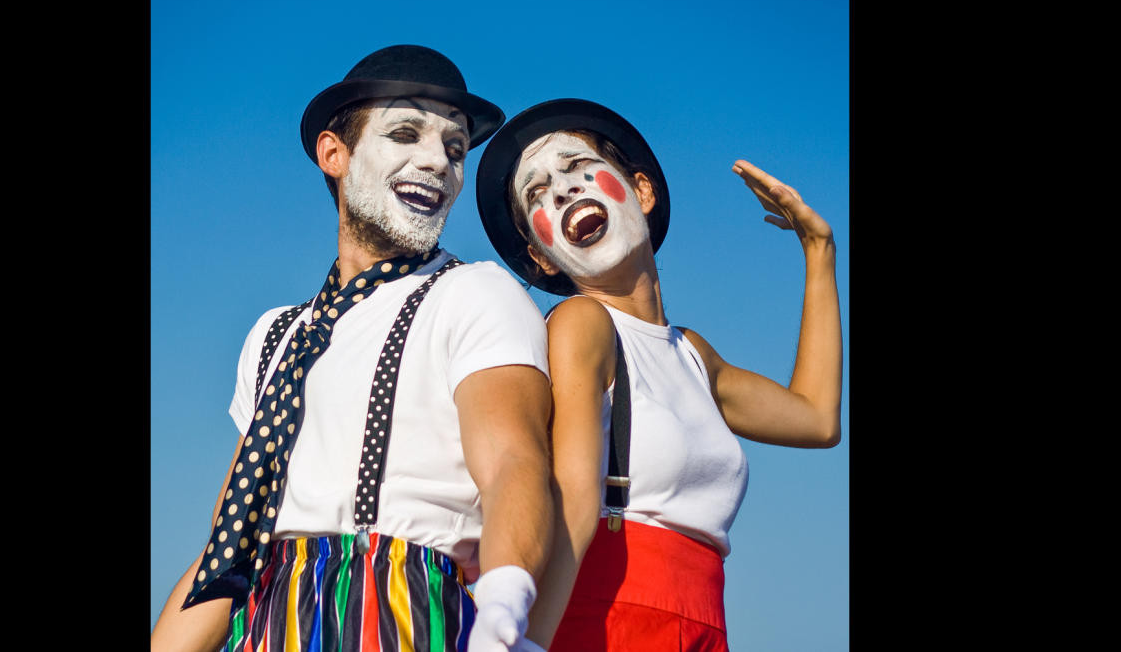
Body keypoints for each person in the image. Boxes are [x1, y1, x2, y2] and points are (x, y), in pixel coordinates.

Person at [151, 45, 554, 652]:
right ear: (333, 155)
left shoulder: (474, 293)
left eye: (453, 148)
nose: (438, 162)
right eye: (405, 133)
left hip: (400, 606)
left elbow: (513, 467)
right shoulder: (274, 335)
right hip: (263, 616)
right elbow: (226, 549)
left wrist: (502, 614)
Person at [474, 99, 842, 651]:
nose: (563, 189)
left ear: (642, 192)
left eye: (577, 166)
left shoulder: (692, 354)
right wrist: (529, 643)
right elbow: (573, 495)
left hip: (700, 622)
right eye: (537, 193)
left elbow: (817, 420)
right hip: (606, 617)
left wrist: (819, 250)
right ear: (541, 256)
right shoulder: (582, 323)